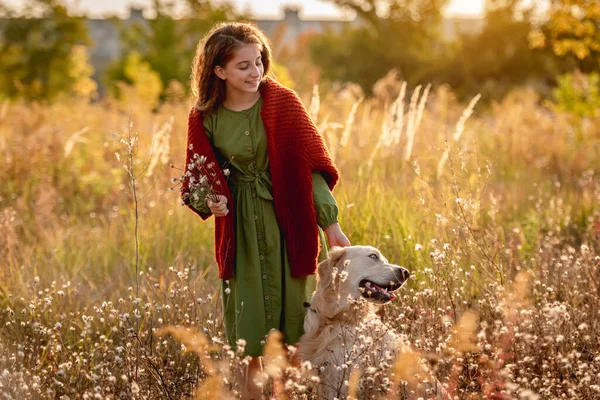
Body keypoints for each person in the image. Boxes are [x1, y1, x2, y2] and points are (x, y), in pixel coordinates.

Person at [181, 21, 350, 399]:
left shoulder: (283, 103)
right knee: (248, 341)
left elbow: (311, 171)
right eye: (243, 66)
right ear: (219, 71)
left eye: (258, 62)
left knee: (294, 336)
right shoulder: (203, 116)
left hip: (288, 225)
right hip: (238, 234)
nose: (255, 72)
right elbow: (197, 179)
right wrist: (210, 199)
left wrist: (331, 224)